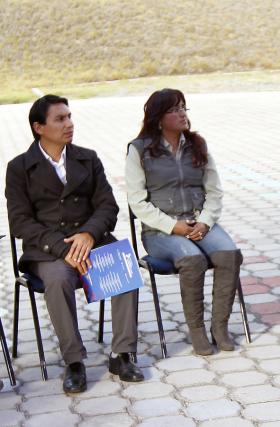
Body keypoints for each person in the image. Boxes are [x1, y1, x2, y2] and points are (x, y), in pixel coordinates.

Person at [6, 95, 143, 393]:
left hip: (90, 240)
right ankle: (74, 361)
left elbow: (107, 205)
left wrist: (89, 235)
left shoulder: (88, 157)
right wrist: (63, 248)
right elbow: (20, 222)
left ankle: (122, 354)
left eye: (69, 117)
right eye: (60, 119)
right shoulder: (18, 168)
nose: (69, 124)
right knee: (58, 280)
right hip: (48, 249)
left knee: (123, 265)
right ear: (39, 127)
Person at [126, 89, 243, 355]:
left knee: (229, 255)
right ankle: (197, 331)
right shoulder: (139, 150)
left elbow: (214, 191)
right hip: (159, 232)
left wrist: (205, 222)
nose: (182, 114)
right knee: (193, 260)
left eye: (183, 108)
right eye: (174, 110)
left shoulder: (197, 145)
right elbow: (137, 202)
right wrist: (172, 226)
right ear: (158, 118)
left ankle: (220, 327)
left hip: (198, 222)